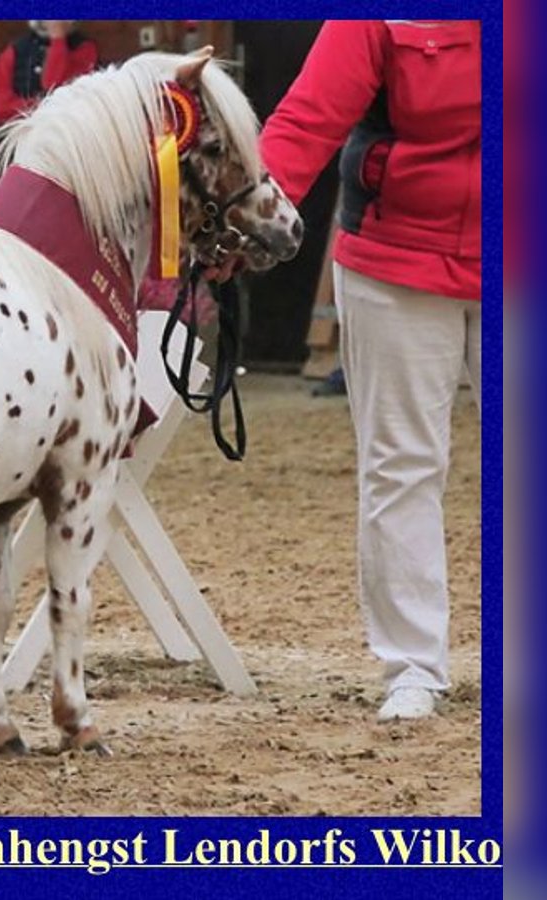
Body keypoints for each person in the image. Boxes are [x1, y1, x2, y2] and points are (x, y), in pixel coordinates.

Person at [258, 20, 480, 721]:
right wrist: (246, 216)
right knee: (402, 464)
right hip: (397, 258)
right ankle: (413, 667)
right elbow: (308, 116)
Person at [0, 20, 98, 124]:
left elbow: (53, 87)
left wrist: (58, 40)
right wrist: (40, 106)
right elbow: (0, 109)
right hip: (22, 131)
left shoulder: (84, 48)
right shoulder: (15, 51)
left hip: (65, 130)